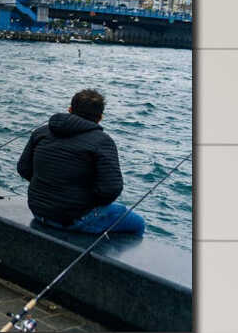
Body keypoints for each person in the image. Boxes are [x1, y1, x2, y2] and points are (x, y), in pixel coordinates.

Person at [16, 87, 145, 236]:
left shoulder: (41, 132)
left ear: (70, 109)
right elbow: (111, 189)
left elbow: (23, 168)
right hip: (74, 220)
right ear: (100, 118)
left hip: (38, 211)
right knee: (137, 223)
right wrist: (84, 201)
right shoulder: (102, 141)